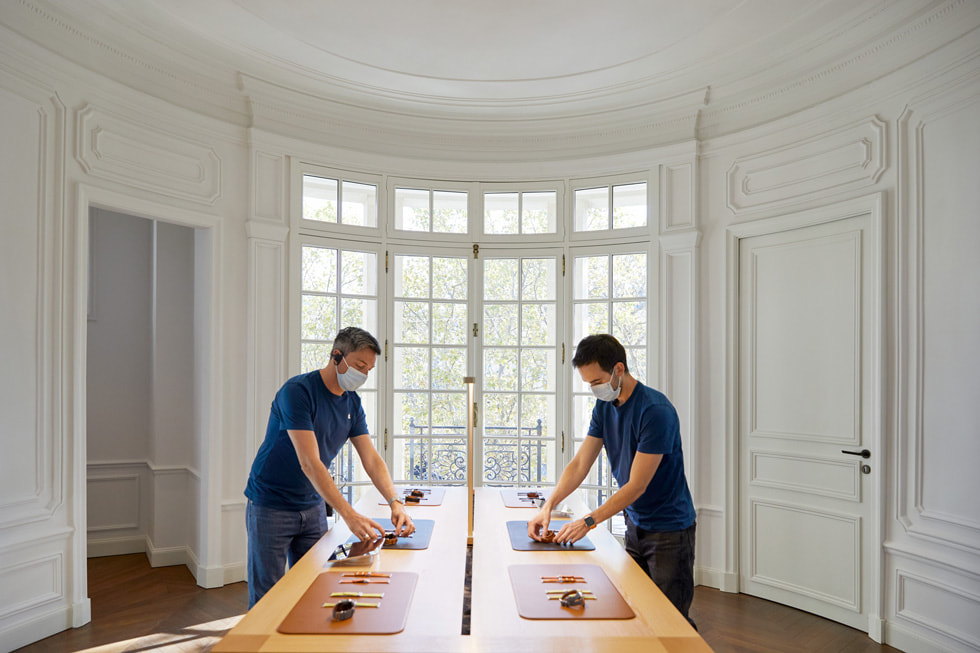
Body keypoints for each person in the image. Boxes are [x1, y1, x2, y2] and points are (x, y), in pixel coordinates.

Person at [528, 333, 697, 627]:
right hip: (636, 524)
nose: (594, 389)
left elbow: (637, 485)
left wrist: (588, 521)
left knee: (672, 623)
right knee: (638, 613)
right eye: (589, 384)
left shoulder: (655, 411)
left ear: (619, 369)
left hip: (670, 531)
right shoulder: (605, 406)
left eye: (596, 382)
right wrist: (548, 506)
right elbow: (581, 463)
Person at [244, 326, 414, 607]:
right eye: (359, 365)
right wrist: (348, 514)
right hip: (270, 505)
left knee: (315, 588)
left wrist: (395, 502)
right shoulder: (297, 392)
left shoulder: (352, 403)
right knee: (268, 599)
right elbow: (310, 463)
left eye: (369, 369)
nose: (363, 374)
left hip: (311, 506)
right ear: (337, 356)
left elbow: (371, 459)